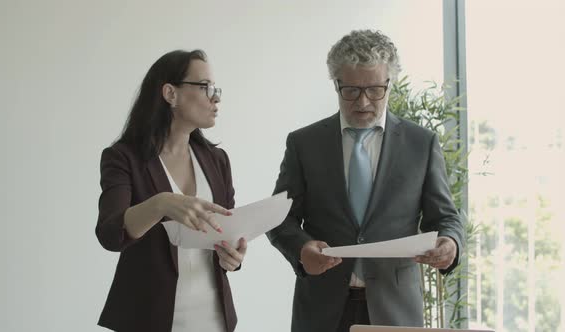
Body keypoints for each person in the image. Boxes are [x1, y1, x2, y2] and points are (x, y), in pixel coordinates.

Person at [267, 29, 465, 332]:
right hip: (321, 309)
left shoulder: (421, 143)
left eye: (375, 89)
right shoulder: (304, 143)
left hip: (395, 309)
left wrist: (450, 243)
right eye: (351, 90)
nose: (363, 102)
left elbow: (446, 217)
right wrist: (302, 248)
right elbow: (280, 219)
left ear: (389, 83)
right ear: (336, 84)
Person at [96, 50, 247, 332]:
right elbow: (110, 233)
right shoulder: (123, 157)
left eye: (215, 89)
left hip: (214, 319)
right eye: (205, 87)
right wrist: (161, 204)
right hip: (148, 319)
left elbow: (227, 231)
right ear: (170, 93)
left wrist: (233, 258)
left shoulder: (217, 160)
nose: (216, 97)